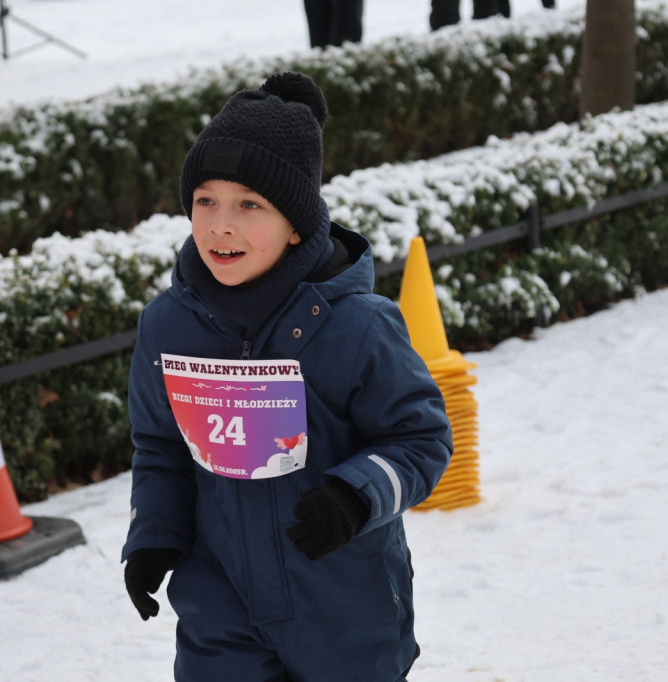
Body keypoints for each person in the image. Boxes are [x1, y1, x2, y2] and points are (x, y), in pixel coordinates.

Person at [121, 72, 453, 681]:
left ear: (296, 223)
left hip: (344, 608)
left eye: (250, 204)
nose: (221, 224)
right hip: (219, 607)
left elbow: (421, 440)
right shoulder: (169, 327)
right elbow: (162, 445)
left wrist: (356, 495)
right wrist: (154, 535)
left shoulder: (356, 327)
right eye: (205, 200)